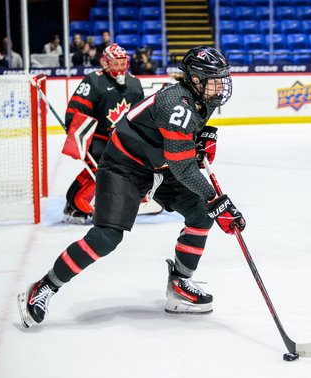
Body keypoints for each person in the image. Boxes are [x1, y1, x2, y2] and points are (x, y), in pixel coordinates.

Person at [17, 46, 246, 328]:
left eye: (223, 77)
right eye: (214, 78)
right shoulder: (176, 104)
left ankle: (180, 285)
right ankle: (44, 287)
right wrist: (216, 200)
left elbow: (180, 144)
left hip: (159, 164)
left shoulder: (203, 98)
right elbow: (184, 167)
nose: (221, 85)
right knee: (106, 238)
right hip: (125, 166)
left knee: (200, 214)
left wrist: (201, 136)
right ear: (195, 79)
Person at [63, 43, 143, 223]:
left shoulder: (135, 84)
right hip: (98, 137)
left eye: (123, 64)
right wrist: (76, 135)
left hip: (122, 139)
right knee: (102, 168)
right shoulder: (94, 80)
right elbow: (76, 110)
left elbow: (140, 116)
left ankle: (73, 202)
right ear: (106, 63)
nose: (120, 68)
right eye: (116, 64)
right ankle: (78, 203)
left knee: (128, 168)